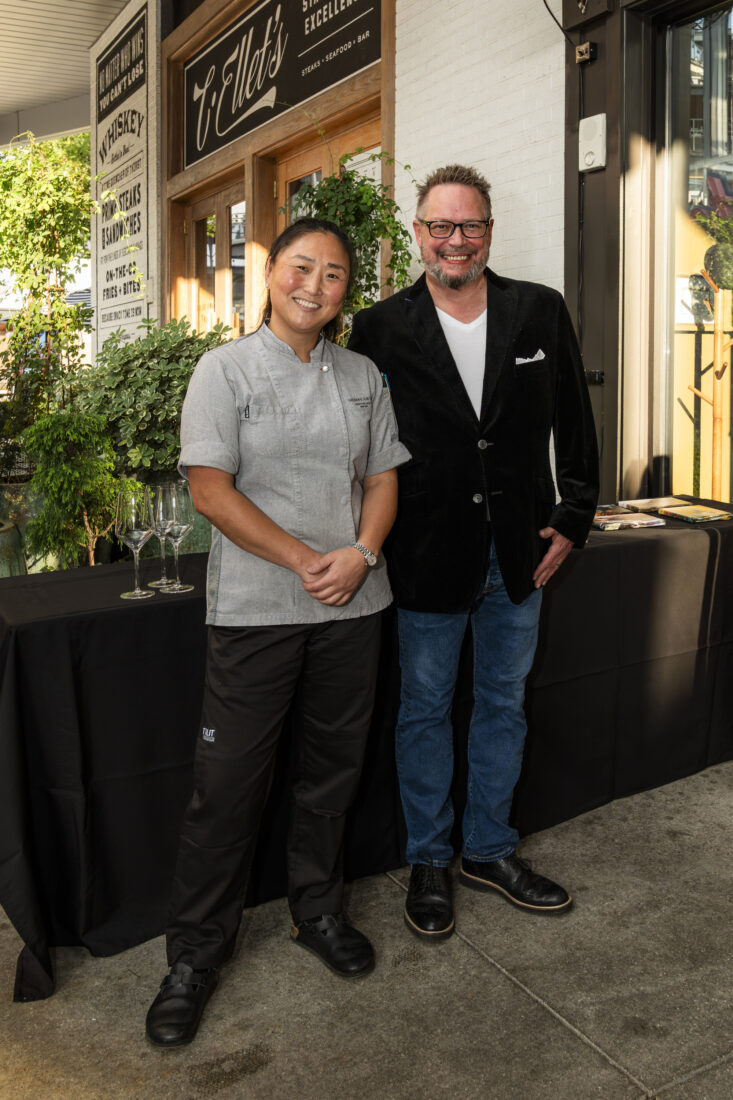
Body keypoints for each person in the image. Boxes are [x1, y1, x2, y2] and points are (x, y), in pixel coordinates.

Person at [145, 217, 410, 1046]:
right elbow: (209, 492)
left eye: (334, 276)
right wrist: (308, 560)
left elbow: (382, 478)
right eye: (302, 268)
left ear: (344, 291)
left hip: (352, 609)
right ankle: (193, 957)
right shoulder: (223, 371)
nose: (315, 287)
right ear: (269, 273)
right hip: (259, 611)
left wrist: (361, 554)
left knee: (332, 775)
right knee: (226, 789)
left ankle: (316, 913)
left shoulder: (364, 374)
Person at [348, 165, 599, 940]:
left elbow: (573, 421)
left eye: (470, 225)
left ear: (489, 230)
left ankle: (487, 850)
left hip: (519, 553)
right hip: (423, 553)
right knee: (422, 710)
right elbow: (361, 449)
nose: (455, 240)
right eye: (440, 226)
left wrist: (572, 512)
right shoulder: (378, 326)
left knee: (502, 704)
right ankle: (428, 858)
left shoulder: (539, 311)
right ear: (417, 233)